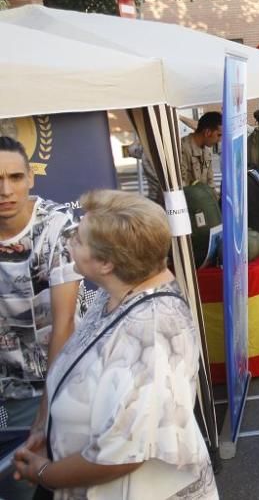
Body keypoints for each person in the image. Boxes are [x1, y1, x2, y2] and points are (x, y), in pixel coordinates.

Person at [13, 190, 217, 499]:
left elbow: (123, 454)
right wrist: (44, 428)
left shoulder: (153, 331)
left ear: (106, 262)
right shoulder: (118, 293)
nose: (69, 242)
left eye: (79, 240)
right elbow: (71, 362)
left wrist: (45, 474)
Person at [0, 138, 84, 500]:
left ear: (30, 178)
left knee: (34, 486)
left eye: (15, 177)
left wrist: (44, 414)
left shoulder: (57, 227)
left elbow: (62, 326)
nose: (6, 190)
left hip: (51, 385)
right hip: (8, 382)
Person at [179, 112, 222, 193]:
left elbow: (210, 184)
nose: (220, 140)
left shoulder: (207, 151)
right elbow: (181, 187)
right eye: (219, 135)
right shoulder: (182, 149)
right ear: (207, 132)